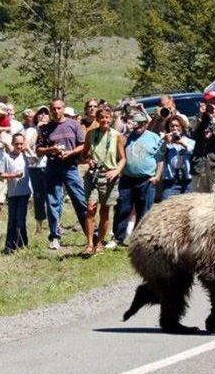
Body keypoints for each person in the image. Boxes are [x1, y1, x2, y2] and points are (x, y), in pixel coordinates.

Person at [36, 99, 88, 250]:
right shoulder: (45, 128)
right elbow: (38, 150)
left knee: (80, 200)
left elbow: (83, 145)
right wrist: (51, 149)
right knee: (53, 202)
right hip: (53, 167)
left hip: (71, 167)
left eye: (59, 108)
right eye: (53, 109)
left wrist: (70, 152)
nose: (56, 111)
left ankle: (91, 234)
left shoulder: (74, 125)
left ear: (63, 109)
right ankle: (54, 237)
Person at [112, 112, 163, 246]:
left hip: (146, 179)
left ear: (146, 124)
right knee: (122, 208)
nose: (138, 126)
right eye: (136, 123)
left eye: (141, 123)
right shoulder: (126, 137)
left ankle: (140, 239)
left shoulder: (154, 137)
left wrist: (157, 176)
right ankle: (118, 237)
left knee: (144, 210)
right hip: (127, 179)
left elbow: (160, 158)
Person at [81, 105, 126, 256]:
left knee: (105, 210)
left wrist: (116, 171)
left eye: (107, 117)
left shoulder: (116, 136)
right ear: (97, 119)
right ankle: (89, 243)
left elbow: (122, 159)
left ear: (111, 119)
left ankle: (100, 241)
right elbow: (84, 154)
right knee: (90, 208)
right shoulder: (91, 134)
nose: (104, 120)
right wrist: (89, 160)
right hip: (94, 175)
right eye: (101, 118)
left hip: (109, 176)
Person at [190, 91, 215, 193]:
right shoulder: (198, 119)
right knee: (199, 202)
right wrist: (200, 117)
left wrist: (214, 121)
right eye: (210, 102)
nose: (213, 105)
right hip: (200, 167)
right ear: (205, 103)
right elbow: (190, 134)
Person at [0, 133, 31, 254]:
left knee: (20, 220)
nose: (19, 146)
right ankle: (10, 246)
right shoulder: (6, 157)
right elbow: (1, 174)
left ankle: (21, 244)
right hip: (12, 193)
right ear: (12, 144)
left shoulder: (26, 157)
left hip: (24, 192)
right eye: (16, 144)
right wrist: (13, 175)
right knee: (12, 220)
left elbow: (37, 160)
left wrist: (28, 149)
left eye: (21, 144)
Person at [23, 106, 49, 234]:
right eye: (40, 113)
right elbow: (26, 145)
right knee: (38, 197)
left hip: (50, 165)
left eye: (46, 113)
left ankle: (55, 224)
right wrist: (32, 157)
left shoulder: (52, 128)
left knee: (53, 196)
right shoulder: (32, 130)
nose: (43, 115)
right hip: (36, 167)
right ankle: (39, 227)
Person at [161, 116, 195, 199]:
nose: (175, 128)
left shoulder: (189, 141)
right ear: (168, 128)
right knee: (168, 206)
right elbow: (159, 154)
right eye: (172, 126)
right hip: (171, 181)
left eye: (177, 126)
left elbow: (194, 152)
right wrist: (165, 142)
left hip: (187, 180)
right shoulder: (164, 141)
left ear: (182, 127)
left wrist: (181, 143)